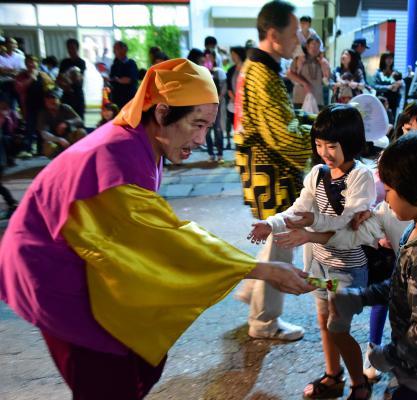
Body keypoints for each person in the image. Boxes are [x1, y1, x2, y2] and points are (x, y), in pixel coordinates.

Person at [0, 58, 314, 399]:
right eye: (196, 124)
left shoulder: (143, 140)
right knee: (109, 375)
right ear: (162, 112)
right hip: (51, 270)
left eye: (208, 127)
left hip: (84, 256)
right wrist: (259, 269)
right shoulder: (117, 154)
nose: (201, 138)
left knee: (144, 360)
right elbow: (164, 239)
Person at [327, 132, 417, 400]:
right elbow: (402, 286)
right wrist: (360, 298)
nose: (385, 198)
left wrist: (385, 357)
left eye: (390, 191)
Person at [250, 104, 375, 399]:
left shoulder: (361, 177)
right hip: (321, 266)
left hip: (347, 270)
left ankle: (360, 382)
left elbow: (349, 222)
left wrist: (309, 231)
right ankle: (334, 376)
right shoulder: (317, 174)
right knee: (324, 320)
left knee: (338, 327)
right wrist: (271, 223)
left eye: (331, 145)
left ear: (351, 141)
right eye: (319, 145)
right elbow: (299, 210)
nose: (324, 152)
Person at [233, 1, 313, 341]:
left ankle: (253, 289)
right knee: (282, 237)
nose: (298, 39)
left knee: (276, 237)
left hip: (264, 169)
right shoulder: (263, 73)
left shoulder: (259, 67)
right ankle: (264, 320)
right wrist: (321, 138)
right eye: (293, 32)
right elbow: (283, 135)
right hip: (271, 170)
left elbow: (283, 125)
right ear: (272, 33)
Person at [37, 89, 87, 159]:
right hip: (55, 140)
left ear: (58, 99)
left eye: (53, 98)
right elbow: (44, 133)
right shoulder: (43, 113)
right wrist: (59, 140)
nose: (51, 101)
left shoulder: (65, 108)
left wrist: (66, 123)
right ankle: (57, 161)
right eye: (48, 99)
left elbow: (79, 120)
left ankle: (79, 156)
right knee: (48, 146)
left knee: (81, 132)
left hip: (69, 137)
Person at [289, 37, 330, 109]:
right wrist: (304, 83)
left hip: (317, 100)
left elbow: (326, 82)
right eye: (313, 44)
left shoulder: (322, 62)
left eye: (318, 46)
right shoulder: (299, 59)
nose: (315, 48)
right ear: (307, 46)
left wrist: (324, 67)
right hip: (300, 99)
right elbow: (289, 74)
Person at [204, 49, 227, 162]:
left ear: (214, 58)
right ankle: (211, 154)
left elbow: (223, 88)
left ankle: (220, 154)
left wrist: (217, 99)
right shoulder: (202, 72)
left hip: (217, 105)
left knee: (218, 129)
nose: (208, 60)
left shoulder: (219, 71)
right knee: (207, 131)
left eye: (210, 57)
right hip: (204, 107)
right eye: (206, 57)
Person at [59, 38, 86, 121]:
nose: (70, 50)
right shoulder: (64, 62)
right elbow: (59, 78)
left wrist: (67, 80)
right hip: (66, 94)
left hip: (77, 94)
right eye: (69, 48)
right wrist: (65, 84)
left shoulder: (81, 62)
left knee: (79, 119)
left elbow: (78, 78)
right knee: (65, 118)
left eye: (73, 48)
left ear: (77, 48)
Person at [226, 46, 246, 150]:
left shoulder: (247, 68)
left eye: (234, 54)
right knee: (237, 131)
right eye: (231, 55)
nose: (232, 57)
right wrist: (235, 99)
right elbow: (229, 87)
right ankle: (240, 152)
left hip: (246, 105)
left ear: (239, 55)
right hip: (234, 105)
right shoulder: (231, 70)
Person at [109, 41, 139, 110]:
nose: (114, 51)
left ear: (124, 50)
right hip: (116, 99)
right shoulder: (114, 65)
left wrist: (118, 80)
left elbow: (129, 80)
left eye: (116, 48)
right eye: (114, 49)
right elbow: (111, 79)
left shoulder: (131, 63)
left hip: (129, 98)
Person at [373, 52, 403, 119]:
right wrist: (388, 87)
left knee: (392, 119)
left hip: (393, 100)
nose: (389, 60)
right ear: (383, 59)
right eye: (387, 58)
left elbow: (401, 83)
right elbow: (375, 86)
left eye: (391, 58)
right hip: (382, 99)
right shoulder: (378, 72)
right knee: (380, 118)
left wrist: (398, 85)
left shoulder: (396, 72)